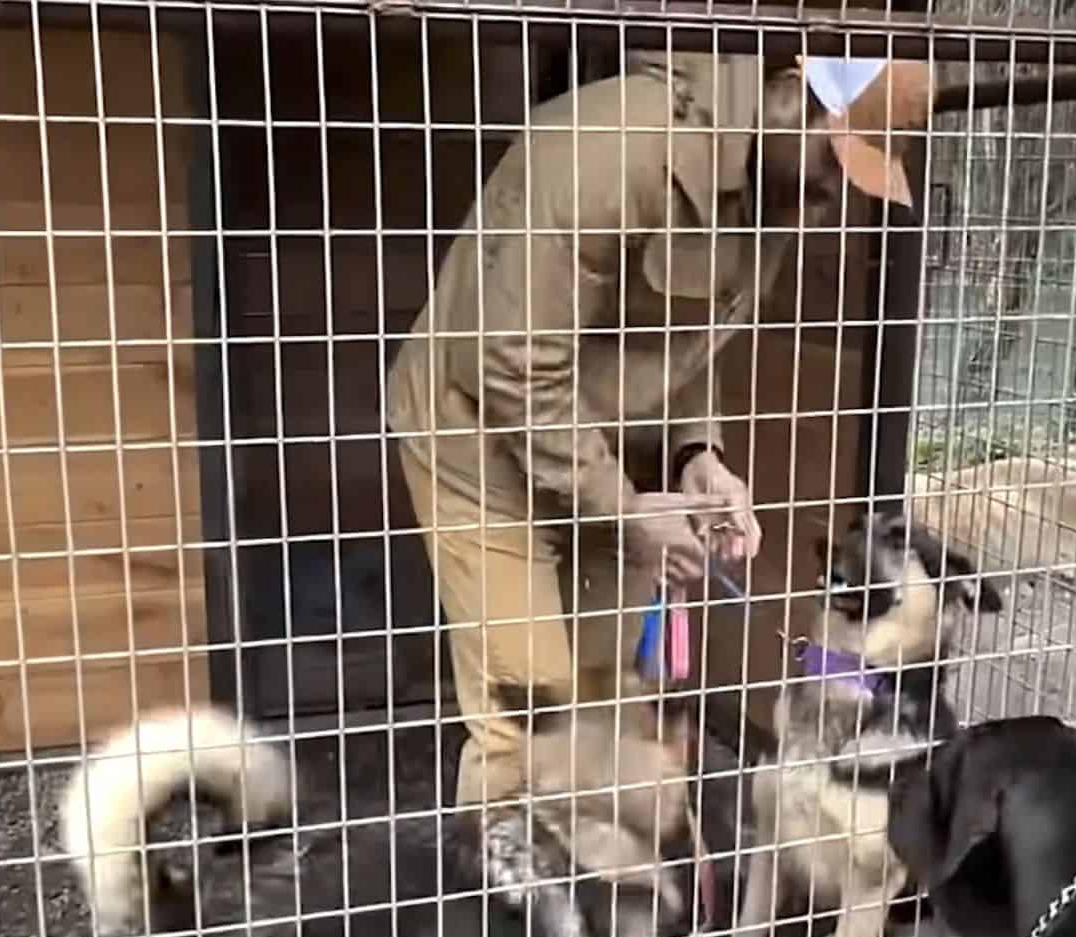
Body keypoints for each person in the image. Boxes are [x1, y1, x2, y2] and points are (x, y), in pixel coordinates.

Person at [387, 50, 931, 808]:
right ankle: (512, 905)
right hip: (475, 433)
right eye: (837, 162)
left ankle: (597, 881)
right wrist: (622, 509)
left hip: (598, 441)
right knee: (531, 712)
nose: (833, 194)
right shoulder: (605, 152)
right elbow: (507, 365)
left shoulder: (779, 186)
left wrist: (697, 454)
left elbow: (691, 335)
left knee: (612, 692)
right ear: (787, 102)